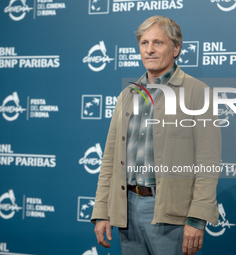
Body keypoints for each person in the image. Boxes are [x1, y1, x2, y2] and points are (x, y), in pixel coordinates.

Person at [91, 16, 222, 255]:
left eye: (158, 43)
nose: (149, 49)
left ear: (176, 48)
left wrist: (197, 218)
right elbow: (110, 158)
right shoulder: (127, 95)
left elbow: (208, 162)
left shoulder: (197, 92)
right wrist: (102, 211)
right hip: (126, 211)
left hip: (171, 215)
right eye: (144, 43)